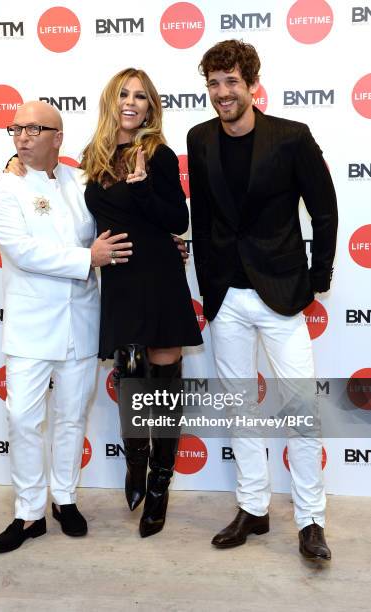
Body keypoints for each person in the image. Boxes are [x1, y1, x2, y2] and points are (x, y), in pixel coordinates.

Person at [187, 40, 337, 559]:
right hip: (226, 296)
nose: (222, 93)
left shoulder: (291, 137)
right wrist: (209, 288)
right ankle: (252, 508)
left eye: (231, 82)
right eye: (213, 83)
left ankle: (311, 520)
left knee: (300, 408)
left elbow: (324, 209)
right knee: (239, 409)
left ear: (252, 85)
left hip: (282, 292)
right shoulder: (199, 138)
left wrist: (318, 278)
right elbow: (201, 222)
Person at [0, 100, 132, 553]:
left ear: (58, 137)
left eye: (33, 129)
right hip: (31, 326)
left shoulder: (81, 180)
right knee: (23, 418)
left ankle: (65, 500)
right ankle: (28, 513)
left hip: (82, 321)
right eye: (16, 129)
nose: (22, 137)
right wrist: (86, 259)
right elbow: (22, 251)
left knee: (71, 417)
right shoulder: (1, 188)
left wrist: (162, 247)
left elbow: (113, 228)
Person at [82, 67, 203, 537]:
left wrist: (142, 187)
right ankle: (136, 463)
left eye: (142, 97)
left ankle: (158, 486)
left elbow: (177, 217)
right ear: (111, 101)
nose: (132, 103)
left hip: (159, 276)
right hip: (120, 282)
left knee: (165, 383)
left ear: (151, 108)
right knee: (130, 375)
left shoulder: (159, 154)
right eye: (124, 94)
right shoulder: (92, 158)